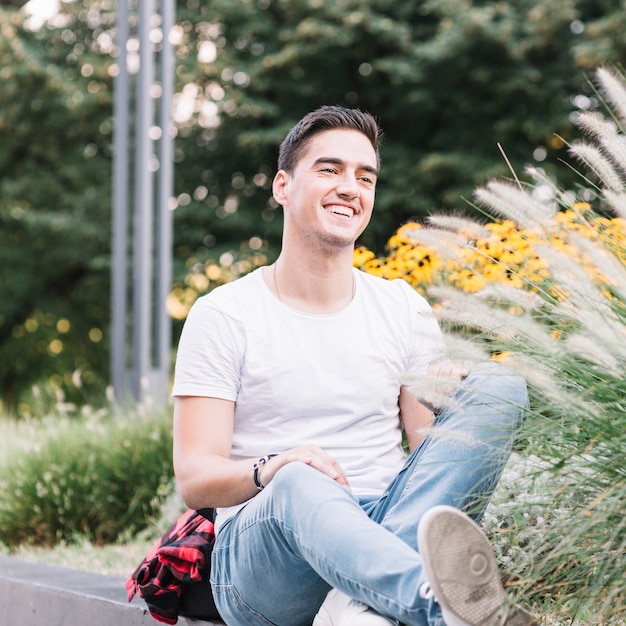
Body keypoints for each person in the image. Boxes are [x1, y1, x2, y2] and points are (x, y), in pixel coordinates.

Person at [172, 106, 537, 626]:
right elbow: (195, 477)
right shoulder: (224, 314)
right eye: (329, 169)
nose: (350, 187)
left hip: (384, 520)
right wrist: (273, 468)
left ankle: (364, 602)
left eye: (364, 177)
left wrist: (454, 397)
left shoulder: (400, 306)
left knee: (499, 386)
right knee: (299, 481)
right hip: (268, 558)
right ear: (282, 185)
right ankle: (434, 604)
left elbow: (426, 453)